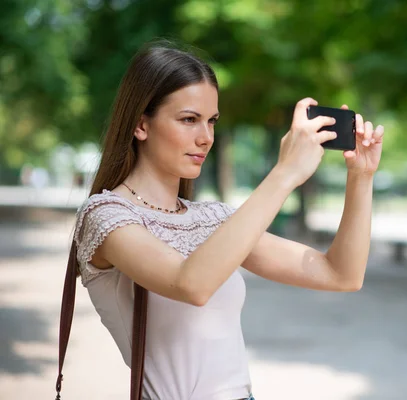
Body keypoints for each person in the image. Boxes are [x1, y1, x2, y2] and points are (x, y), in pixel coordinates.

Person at [68, 41, 384, 400]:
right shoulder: (106, 216)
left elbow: (341, 274)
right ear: (141, 125)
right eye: (189, 119)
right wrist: (283, 174)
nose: (205, 138)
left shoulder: (212, 218)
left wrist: (361, 177)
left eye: (211, 121)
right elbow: (192, 284)